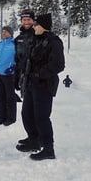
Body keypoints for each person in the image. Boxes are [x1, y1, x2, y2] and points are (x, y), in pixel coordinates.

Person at [16, 13, 65, 160]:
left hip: (44, 85)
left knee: (41, 117)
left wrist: (40, 75)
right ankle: (34, 141)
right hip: (32, 84)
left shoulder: (54, 42)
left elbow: (58, 65)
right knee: (27, 114)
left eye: (36, 25)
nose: (34, 27)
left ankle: (48, 148)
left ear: (43, 27)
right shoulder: (36, 40)